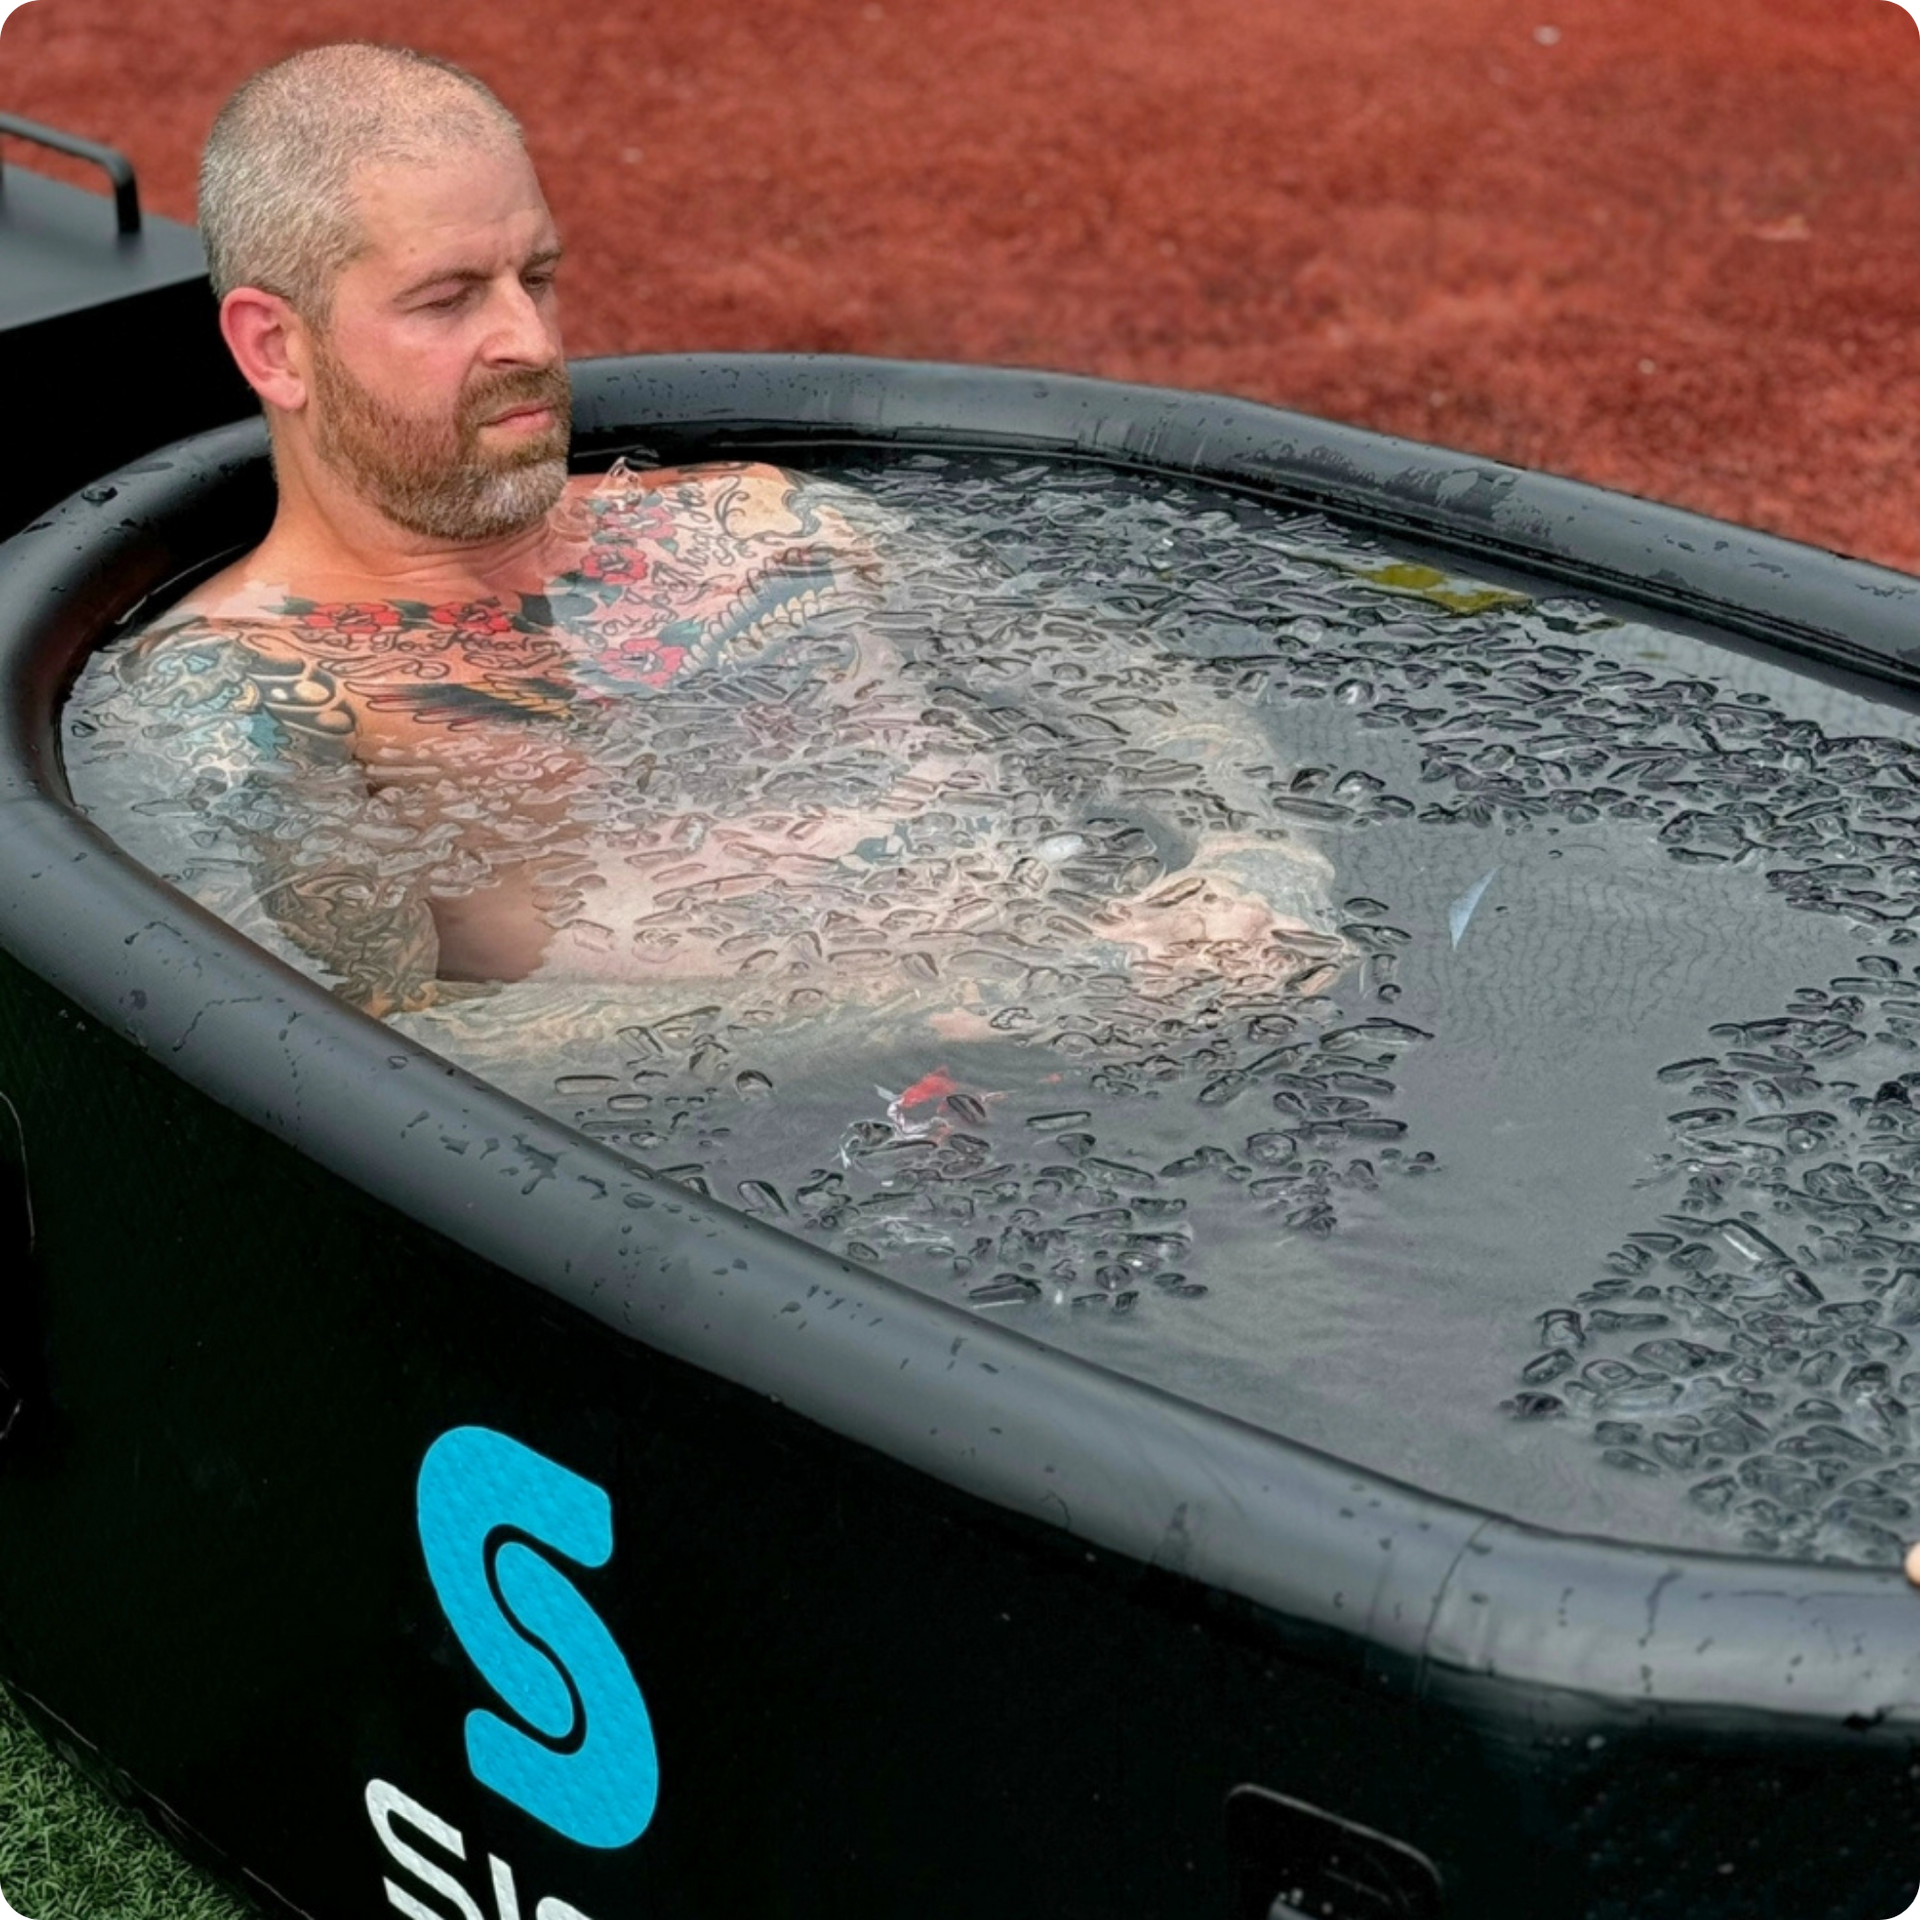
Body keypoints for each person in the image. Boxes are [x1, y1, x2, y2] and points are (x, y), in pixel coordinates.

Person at [114, 43, 1337, 1026]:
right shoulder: (245, 699)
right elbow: (378, 1051)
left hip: (1191, 1020)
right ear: (275, 346)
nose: (532, 343)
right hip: (806, 1186)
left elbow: (1119, 686)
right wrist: (951, 1007)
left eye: (535, 278)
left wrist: (1263, 855)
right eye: (448, 300)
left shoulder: (754, 516)